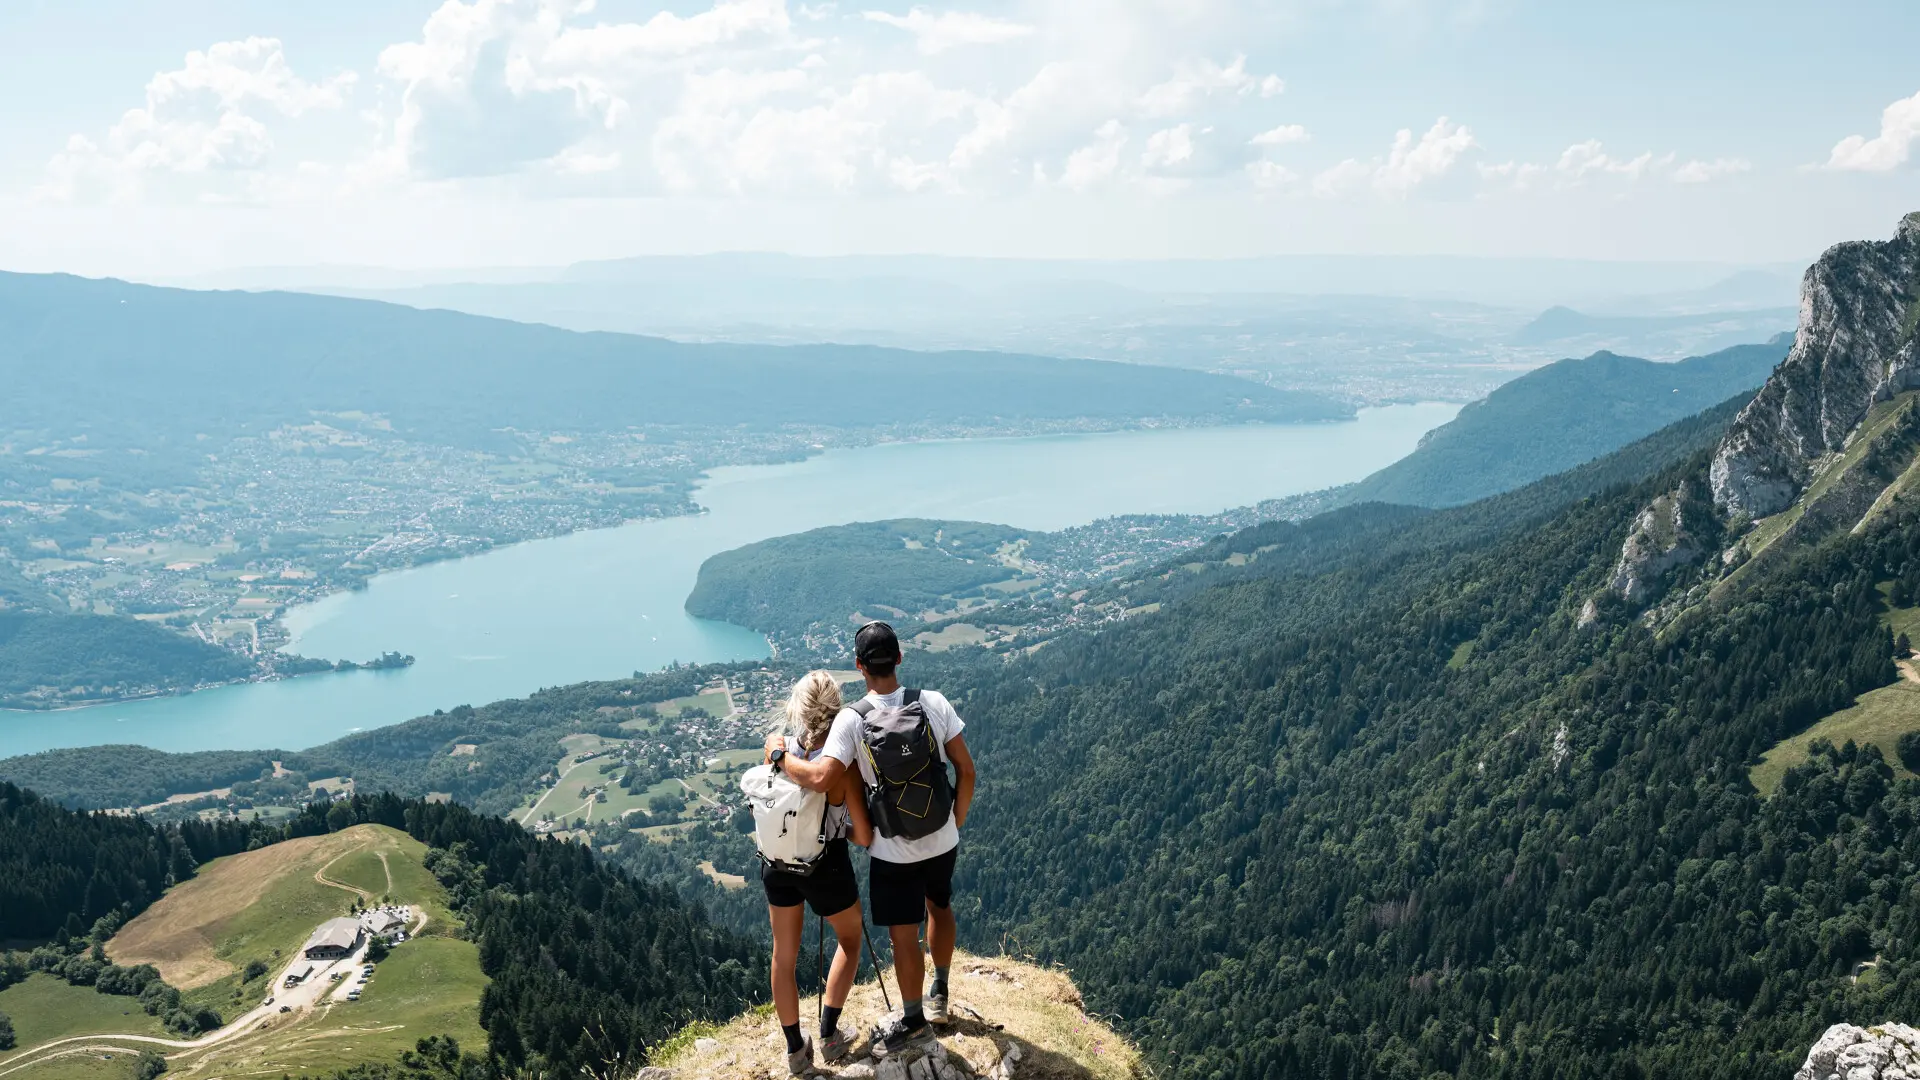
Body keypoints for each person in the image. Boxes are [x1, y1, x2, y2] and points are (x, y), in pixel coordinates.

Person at [769, 621, 976, 1055]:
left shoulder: (852, 719)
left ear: (859, 666)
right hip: (942, 838)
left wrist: (779, 755)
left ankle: (915, 1018)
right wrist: (953, 823)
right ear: (899, 658)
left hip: (892, 852)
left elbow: (824, 778)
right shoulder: (932, 703)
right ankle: (940, 989)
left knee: (904, 934)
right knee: (940, 904)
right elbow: (966, 770)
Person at [760, 670, 873, 1075]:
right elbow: (861, 835)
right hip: (826, 867)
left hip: (777, 864)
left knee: (783, 956)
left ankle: (795, 1050)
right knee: (850, 938)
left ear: (799, 710)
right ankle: (828, 1034)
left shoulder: (781, 751)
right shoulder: (840, 764)